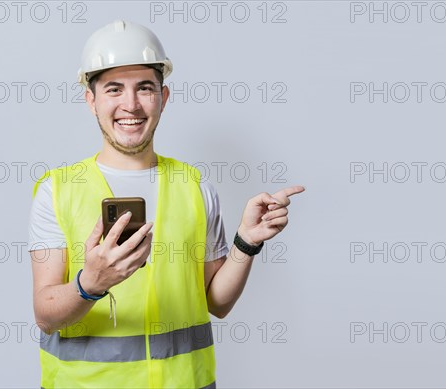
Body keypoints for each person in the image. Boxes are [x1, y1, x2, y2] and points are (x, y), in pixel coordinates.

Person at [28, 20, 304, 389]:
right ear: (91, 100)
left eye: (145, 88)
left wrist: (246, 241)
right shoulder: (58, 190)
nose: (131, 104)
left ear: (164, 97)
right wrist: (90, 283)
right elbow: (46, 315)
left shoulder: (194, 185)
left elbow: (217, 303)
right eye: (114, 89)